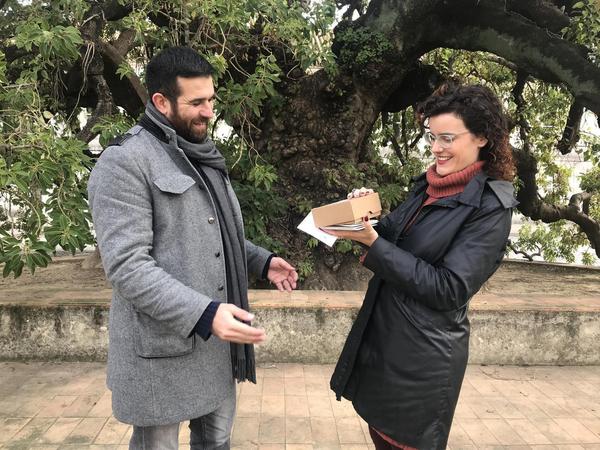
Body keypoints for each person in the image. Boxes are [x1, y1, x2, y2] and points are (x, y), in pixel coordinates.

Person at [88, 46, 298, 450]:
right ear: (161, 102)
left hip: (214, 344)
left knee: (216, 442)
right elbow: (128, 267)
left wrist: (262, 261)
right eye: (197, 103)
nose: (208, 112)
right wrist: (205, 314)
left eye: (211, 100)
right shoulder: (125, 162)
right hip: (161, 351)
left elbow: (211, 231)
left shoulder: (199, 151)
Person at [326, 83, 518, 449]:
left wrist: (373, 243)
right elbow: (397, 238)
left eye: (448, 138)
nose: (436, 148)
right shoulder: (429, 185)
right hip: (385, 342)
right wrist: (366, 218)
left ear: (481, 138)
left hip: (423, 360)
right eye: (432, 137)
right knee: (380, 436)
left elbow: (449, 288)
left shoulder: (491, 207)